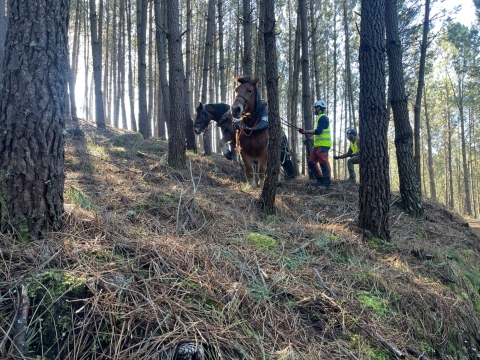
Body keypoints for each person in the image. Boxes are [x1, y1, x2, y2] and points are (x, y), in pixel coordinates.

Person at [298, 100, 331, 187]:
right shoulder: (319, 118)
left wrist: (306, 131)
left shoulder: (323, 117)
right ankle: (320, 180)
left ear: (319, 108)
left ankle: (327, 183)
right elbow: (318, 134)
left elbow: (319, 131)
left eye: (315, 108)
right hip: (317, 145)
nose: (314, 109)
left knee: (323, 163)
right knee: (311, 163)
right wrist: (308, 138)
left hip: (323, 145)